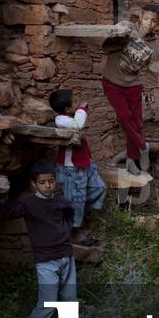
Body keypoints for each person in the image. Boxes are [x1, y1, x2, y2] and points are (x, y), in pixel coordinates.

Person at [1, 160, 77, 318]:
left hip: (66, 257)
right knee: (48, 303)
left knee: (68, 300)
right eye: (42, 182)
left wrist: (66, 232)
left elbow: (70, 214)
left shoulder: (61, 201)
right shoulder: (28, 204)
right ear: (33, 184)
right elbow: (10, 212)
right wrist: (1, 195)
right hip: (45, 261)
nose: (48, 185)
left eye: (51, 181)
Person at [101, 3, 159, 176]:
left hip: (133, 85)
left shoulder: (154, 47)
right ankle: (143, 146)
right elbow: (105, 48)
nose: (149, 23)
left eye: (154, 21)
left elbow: (152, 72)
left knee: (137, 123)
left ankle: (130, 161)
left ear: (157, 24)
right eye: (147, 19)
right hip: (112, 80)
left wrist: (149, 90)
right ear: (141, 17)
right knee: (124, 117)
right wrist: (123, 41)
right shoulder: (126, 30)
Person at [50, 88, 106, 246]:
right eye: (74, 102)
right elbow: (78, 124)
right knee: (75, 200)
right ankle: (73, 232)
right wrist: (82, 109)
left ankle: (80, 218)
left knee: (98, 188)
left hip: (85, 164)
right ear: (67, 109)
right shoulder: (61, 120)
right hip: (71, 168)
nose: (78, 102)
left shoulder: (69, 116)